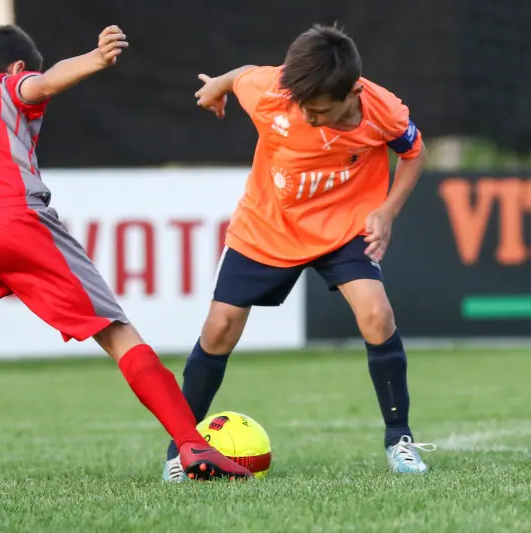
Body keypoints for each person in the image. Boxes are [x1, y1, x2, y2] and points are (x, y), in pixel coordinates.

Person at [0, 24, 252, 490]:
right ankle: (192, 445)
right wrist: (95, 59)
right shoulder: (5, 85)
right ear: (16, 68)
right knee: (116, 331)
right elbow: (44, 83)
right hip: (17, 220)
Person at [162, 23, 436, 482]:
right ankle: (182, 450)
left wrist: (386, 211)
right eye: (303, 109)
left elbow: (414, 153)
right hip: (267, 226)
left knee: (377, 315)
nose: (308, 118)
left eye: (319, 111)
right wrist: (215, 87)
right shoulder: (273, 92)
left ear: (352, 92)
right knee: (219, 329)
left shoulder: (382, 110)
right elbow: (243, 73)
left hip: (343, 227)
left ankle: (399, 441)